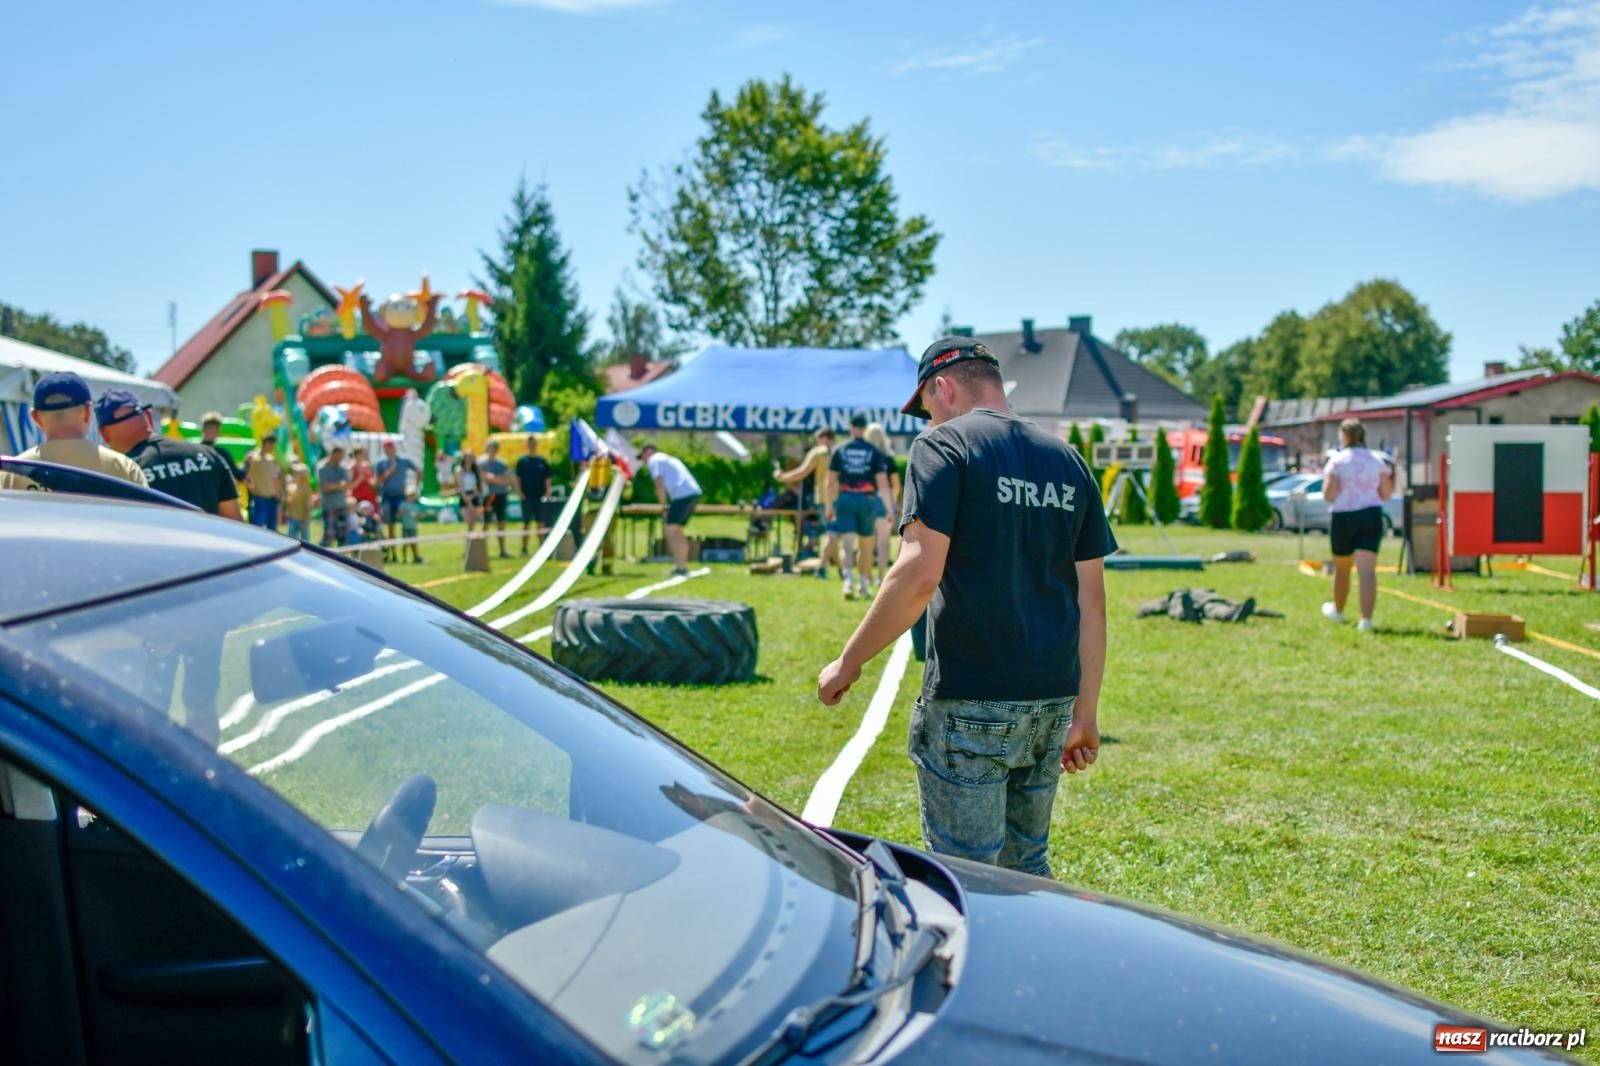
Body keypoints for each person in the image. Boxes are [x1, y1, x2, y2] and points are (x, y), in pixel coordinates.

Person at [817, 337, 1116, 879]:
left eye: (927, 407)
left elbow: (918, 573)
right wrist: (1085, 713)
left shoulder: (944, 449)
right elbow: (1091, 602)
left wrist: (848, 661)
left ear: (944, 387)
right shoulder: (1068, 460)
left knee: (967, 879)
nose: (927, 422)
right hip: (1051, 700)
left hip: (969, 700)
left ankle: (978, 966)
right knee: (1027, 872)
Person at [97, 391, 240, 518]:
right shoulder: (206, 454)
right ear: (149, 417)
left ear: (104, 433)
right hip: (212, 546)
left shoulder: (121, 474)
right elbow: (235, 523)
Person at [0, 374, 148, 491]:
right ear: (88, 412)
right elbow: (147, 523)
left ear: (36, 418)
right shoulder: (124, 468)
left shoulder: (11, 475)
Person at [1320, 418, 1395, 633]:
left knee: (1342, 569)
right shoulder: (1376, 460)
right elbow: (1386, 494)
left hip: (1344, 517)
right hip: (1371, 515)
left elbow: (1329, 494)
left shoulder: (1337, 461)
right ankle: (1366, 620)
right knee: (1367, 571)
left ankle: (1339, 611)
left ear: (1343, 436)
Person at [826, 414, 896, 600]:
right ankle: (863, 583)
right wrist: (890, 510)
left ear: (850, 427)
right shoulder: (874, 451)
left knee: (847, 544)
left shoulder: (840, 450)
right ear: (864, 429)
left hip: (845, 499)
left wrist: (828, 506)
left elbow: (830, 482)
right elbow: (883, 484)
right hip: (867, 501)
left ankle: (847, 581)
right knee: (866, 545)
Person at [774, 427, 836, 574]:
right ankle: (840, 569)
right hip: (843, 497)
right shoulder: (841, 451)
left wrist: (783, 477)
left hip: (824, 497)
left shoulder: (818, 453)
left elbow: (802, 472)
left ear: (824, 438)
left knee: (831, 533)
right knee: (835, 533)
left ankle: (822, 567)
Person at [640, 443, 702, 577]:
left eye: (643, 456)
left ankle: (681, 567)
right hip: (690, 492)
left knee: (671, 529)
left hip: (683, 495)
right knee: (676, 529)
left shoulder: (654, 460)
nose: (643, 461)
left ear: (649, 451)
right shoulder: (666, 459)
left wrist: (664, 505)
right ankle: (681, 566)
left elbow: (658, 483)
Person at [863, 422, 902, 585]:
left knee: (865, 542)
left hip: (865, 500)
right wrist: (891, 504)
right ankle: (880, 577)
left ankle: (866, 578)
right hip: (883, 502)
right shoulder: (888, 459)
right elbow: (896, 485)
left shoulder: (864, 457)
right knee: (883, 542)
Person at [373, 440, 417, 543]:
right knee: (390, 524)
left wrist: (415, 486)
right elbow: (376, 481)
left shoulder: (404, 461)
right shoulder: (381, 463)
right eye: (385, 449)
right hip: (387, 496)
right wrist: (388, 473)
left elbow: (418, 471)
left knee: (407, 522)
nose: (387, 451)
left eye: (389, 449)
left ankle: (409, 549)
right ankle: (392, 551)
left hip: (400, 496)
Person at [515, 435, 552, 555]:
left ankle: (542, 546)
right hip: (526, 497)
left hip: (540, 496)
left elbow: (547, 478)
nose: (532, 446)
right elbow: (517, 478)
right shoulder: (522, 462)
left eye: (534, 444)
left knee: (540, 523)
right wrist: (520, 492)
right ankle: (524, 548)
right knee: (526, 523)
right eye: (530, 444)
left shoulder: (542, 461)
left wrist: (547, 492)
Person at [242, 433, 284, 529]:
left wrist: (279, 493)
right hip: (259, 499)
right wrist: (250, 486)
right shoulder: (252, 457)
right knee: (257, 529)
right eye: (271, 445)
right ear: (266, 443)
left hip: (272, 499)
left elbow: (275, 478)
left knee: (272, 530)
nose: (272, 448)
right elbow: (244, 475)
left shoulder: (271, 459)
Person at [480, 439, 513, 558]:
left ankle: (503, 550)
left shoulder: (502, 463)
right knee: (486, 522)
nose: (493, 450)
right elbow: (483, 477)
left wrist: (493, 479)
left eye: (495, 448)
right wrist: (497, 479)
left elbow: (506, 479)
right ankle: (481, 550)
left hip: (500, 495)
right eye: (491, 447)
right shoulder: (482, 462)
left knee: (501, 522)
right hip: (488, 496)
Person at [317, 446, 352, 546]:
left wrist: (333, 485)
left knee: (343, 536)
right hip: (328, 506)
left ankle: (341, 560)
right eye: (340, 455)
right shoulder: (322, 467)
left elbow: (348, 485)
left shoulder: (343, 468)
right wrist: (339, 485)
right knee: (329, 536)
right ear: (334, 454)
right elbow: (325, 488)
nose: (342, 458)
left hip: (342, 506)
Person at [198, 412, 244, 481]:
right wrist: (248, 463)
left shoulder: (192, 452)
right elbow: (238, 475)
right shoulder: (221, 454)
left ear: (203, 429)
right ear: (218, 431)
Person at [455, 450, 483, 550]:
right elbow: (461, 488)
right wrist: (468, 501)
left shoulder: (475, 470)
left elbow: (479, 487)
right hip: (465, 498)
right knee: (469, 522)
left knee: (474, 524)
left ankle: (472, 548)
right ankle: (467, 548)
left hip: (474, 497)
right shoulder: (459, 470)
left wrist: (475, 495)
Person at [283, 461, 313, 541]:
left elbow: (308, 505)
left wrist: (306, 519)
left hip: (303, 519)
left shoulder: (306, 489)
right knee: (291, 539)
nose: (294, 474)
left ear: (303, 476)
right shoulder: (291, 487)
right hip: (292, 518)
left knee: (305, 540)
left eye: (296, 473)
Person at [349, 446, 379, 514]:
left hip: (369, 494)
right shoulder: (352, 466)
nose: (363, 455)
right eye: (362, 453)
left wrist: (374, 482)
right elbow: (351, 485)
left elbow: (370, 479)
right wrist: (360, 478)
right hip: (358, 496)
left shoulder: (366, 465)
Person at [398, 486, 424, 564]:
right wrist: (402, 512)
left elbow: (420, 515)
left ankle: (415, 557)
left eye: (412, 496)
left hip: (413, 527)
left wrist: (417, 516)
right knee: (405, 544)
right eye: (409, 496)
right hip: (406, 527)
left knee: (414, 544)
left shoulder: (415, 506)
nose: (411, 497)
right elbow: (399, 514)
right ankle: (404, 559)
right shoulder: (403, 504)